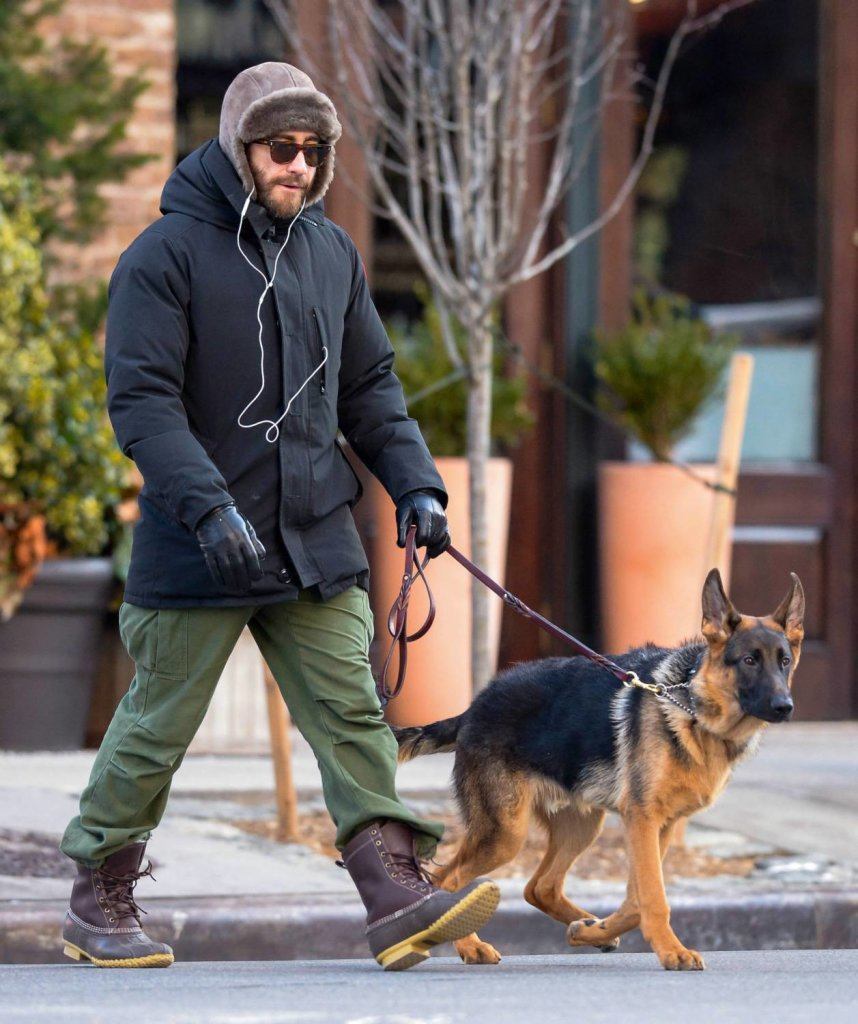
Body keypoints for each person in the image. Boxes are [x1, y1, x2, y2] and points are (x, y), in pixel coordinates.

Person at [59, 62, 499, 972]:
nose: (297, 165)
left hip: (314, 540)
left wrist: (415, 484)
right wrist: (207, 505)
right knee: (154, 730)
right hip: (200, 546)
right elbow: (142, 403)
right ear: (238, 147)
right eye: (279, 148)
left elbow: (371, 388)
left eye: (313, 151)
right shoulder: (164, 257)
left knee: (353, 718)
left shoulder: (330, 254)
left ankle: (394, 897)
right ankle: (98, 895)